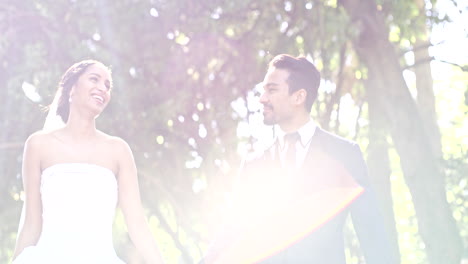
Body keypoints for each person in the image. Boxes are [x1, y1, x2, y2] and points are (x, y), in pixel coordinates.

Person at [202, 54, 393, 263]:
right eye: (263, 90)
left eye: (271, 90)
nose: (262, 98)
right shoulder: (254, 167)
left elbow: (373, 236)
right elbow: (231, 233)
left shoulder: (344, 154)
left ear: (299, 97)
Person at [12, 60, 165, 264]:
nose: (102, 88)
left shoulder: (118, 150)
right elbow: (32, 224)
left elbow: (137, 224)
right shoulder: (38, 145)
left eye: (107, 85)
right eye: (94, 79)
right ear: (72, 88)